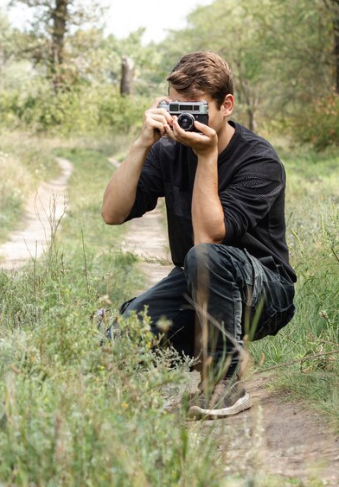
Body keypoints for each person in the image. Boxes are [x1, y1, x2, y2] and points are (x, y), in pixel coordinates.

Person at [101, 51, 296, 418]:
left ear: (227, 106)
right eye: (178, 109)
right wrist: (143, 143)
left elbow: (207, 240)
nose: (186, 121)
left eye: (197, 110)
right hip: (195, 283)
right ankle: (221, 346)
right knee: (117, 344)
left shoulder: (260, 161)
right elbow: (112, 213)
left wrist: (206, 158)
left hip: (266, 292)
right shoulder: (168, 150)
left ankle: (224, 382)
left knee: (203, 256)